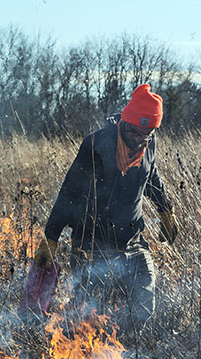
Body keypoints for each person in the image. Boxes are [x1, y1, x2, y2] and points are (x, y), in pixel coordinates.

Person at [33, 84, 179, 334]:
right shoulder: (96, 145)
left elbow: (151, 178)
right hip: (92, 245)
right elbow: (69, 192)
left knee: (144, 308)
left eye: (146, 134)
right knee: (86, 317)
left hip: (132, 242)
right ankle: (68, 356)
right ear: (125, 122)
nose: (138, 140)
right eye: (134, 132)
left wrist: (166, 212)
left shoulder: (148, 145)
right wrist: (51, 238)